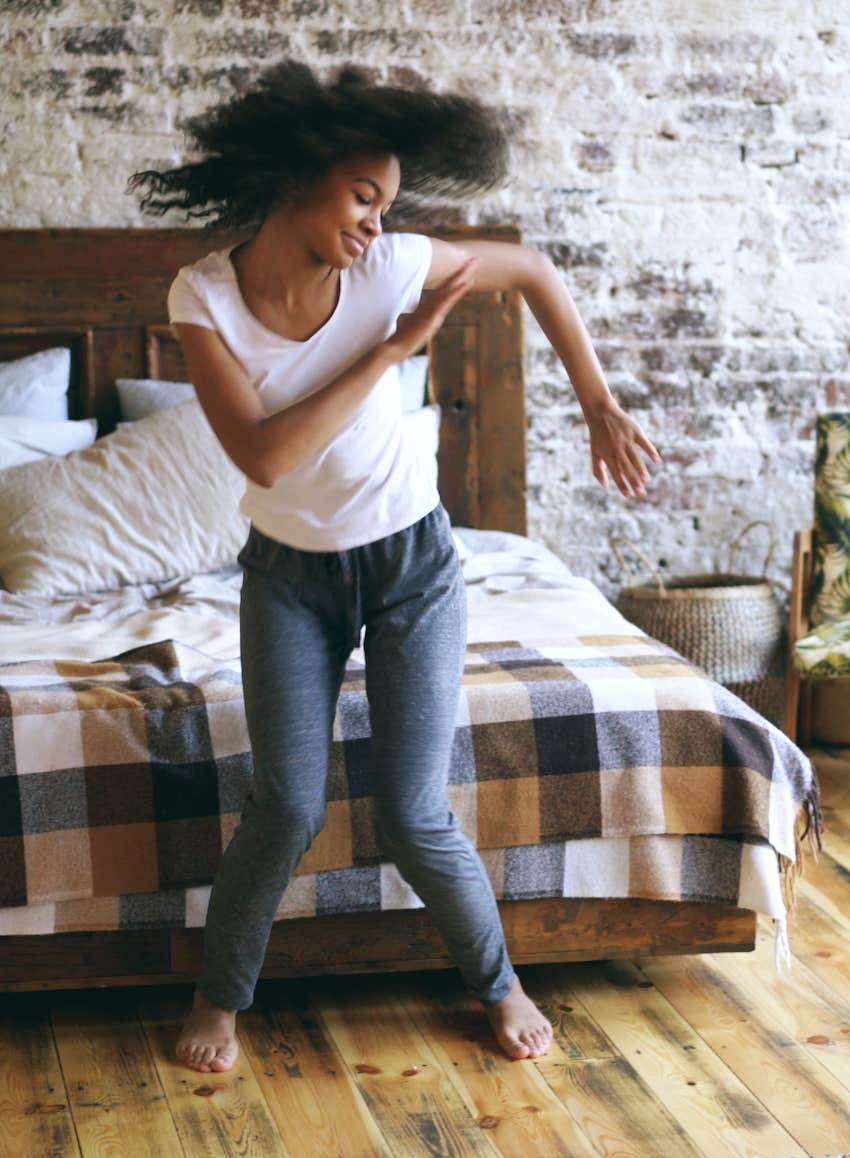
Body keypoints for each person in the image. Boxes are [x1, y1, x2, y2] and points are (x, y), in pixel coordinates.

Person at [128, 59, 661, 1076]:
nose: (377, 222)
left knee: (414, 811)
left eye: (388, 203)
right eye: (363, 196)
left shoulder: (392, 263)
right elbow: (264, 454)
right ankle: (218, 997)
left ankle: (500, 982)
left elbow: (534, 271)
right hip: (289, 576)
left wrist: (595, 401)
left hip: (414, 566)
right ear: (297, 179)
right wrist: (394, 350)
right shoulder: (204, 294)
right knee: (285, 803)